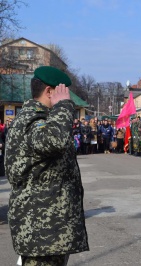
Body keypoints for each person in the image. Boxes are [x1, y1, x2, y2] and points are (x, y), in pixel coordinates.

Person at [5, 66, 89, 265]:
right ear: (50, 91)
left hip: (48, 230)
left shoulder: (43, 119)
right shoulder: (33, 119)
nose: (67, 97)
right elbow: (54, 140)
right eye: (63, 92)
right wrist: (63, 106)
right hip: (41, 230)